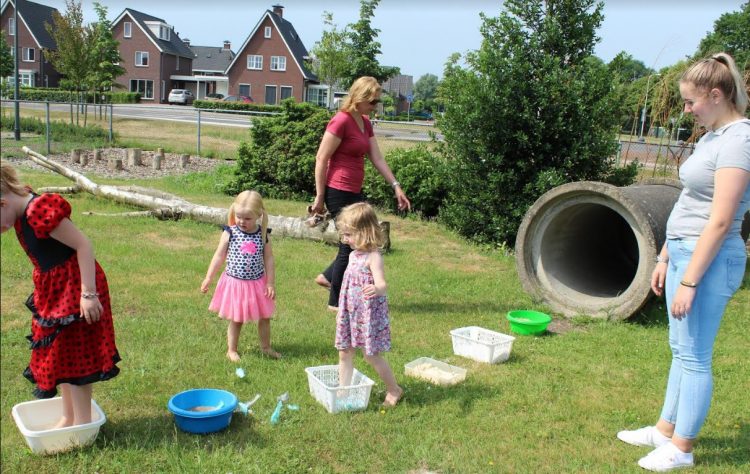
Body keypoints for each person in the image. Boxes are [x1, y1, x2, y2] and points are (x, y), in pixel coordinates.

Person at [617, 52, 749, 472]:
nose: (687, 110)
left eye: (691, 102)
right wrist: (665, 255)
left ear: (715, 94)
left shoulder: (739, 140)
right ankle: (664, 430)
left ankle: (683, 448)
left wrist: (690, 280)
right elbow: (689, 201)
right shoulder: (712, 136)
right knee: (680, 349)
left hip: (708, 260)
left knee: (694, 356)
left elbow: (722, 218)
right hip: (684, 252)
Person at [0, 161, 121, 427]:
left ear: (3, 204)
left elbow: (83, 245)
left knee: (77, 357)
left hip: (77, 287)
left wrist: (88, 295)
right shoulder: (20, 214)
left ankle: (82, 422)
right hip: (54, 290)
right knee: (61, 355)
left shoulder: (38, 210)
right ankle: (69, 417)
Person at [311, 76, 411, 311]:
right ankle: (336, 302)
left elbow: (377, 158)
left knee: (363, 236)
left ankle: (327, 277)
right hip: (337, 189)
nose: (376, 106)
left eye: (377, 101)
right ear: (359, 98)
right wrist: (319, 196)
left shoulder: (365, 123)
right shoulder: (340, 121)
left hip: (355, 189)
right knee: (350, 243)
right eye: (373, 102)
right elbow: (321, 158)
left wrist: (396, 186)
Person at [334, 202, 403, 407]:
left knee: (371, 355)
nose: (345, 239)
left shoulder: (373, 257)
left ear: (365, 232)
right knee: (344, 352)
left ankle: (394, 389)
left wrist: (376, 288)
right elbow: (347, 286)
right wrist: (341, 310)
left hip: (367, 315)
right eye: (344, 235)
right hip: (350, 312)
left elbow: (382, 284)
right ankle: (343, 391)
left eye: (349, 234)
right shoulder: (353, 255)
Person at [201, 190, 279, 362]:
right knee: (237, 318)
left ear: (259, 215)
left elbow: (269, 259)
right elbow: (219, 256)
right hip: (235, 283)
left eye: (247, 218)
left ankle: (266, 347)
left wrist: (270, 283)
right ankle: (231, 350)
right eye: (239, 217)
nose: (242, 222)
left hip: (257, 283)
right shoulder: (230, 232)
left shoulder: (263, 235)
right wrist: (209, 277)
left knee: (265, 317)